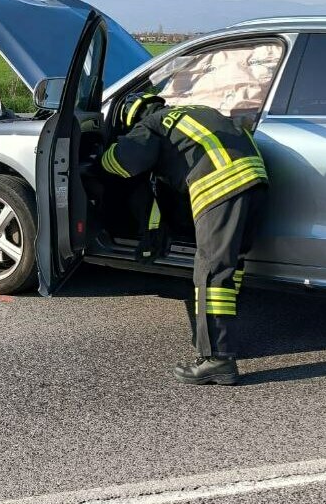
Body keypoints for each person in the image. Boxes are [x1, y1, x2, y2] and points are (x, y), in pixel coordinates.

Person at [100, 92, 268, 385]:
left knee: (211, 272)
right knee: (232, 266)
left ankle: (218, 360)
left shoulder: (151, 123)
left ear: (133, 116)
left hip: (219, 183)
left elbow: (128, 161)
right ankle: (222, 338)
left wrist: (102, 158)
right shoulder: (195, 111)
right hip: (256, 180)